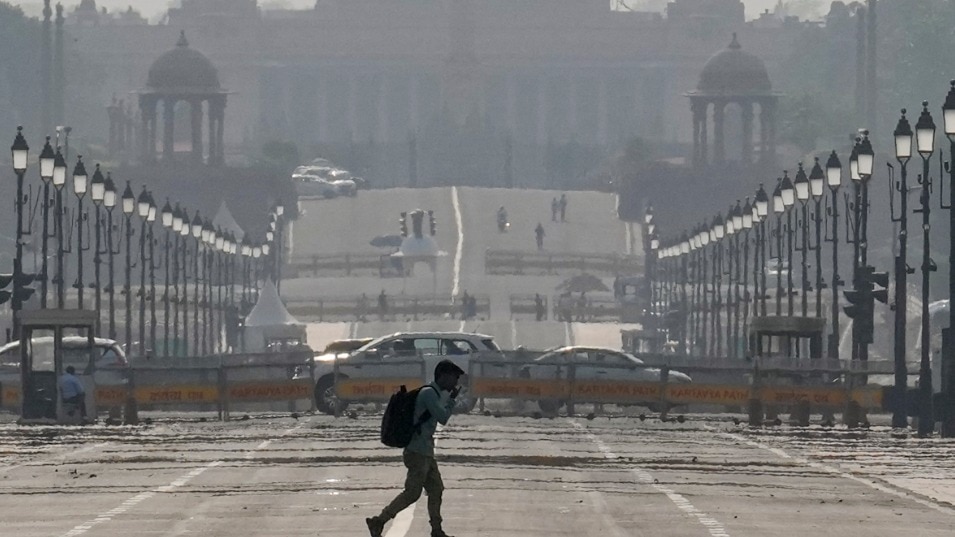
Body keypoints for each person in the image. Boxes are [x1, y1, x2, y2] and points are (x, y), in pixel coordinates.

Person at [367, 360, 466, 537]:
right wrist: (451, 401)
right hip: (417, 452)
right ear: (443, 375)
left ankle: (436, 530)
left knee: (436, 489)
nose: (455, 382)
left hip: (425, 452)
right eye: (454, 377)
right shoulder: (429, 394)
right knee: (412, 493)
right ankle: (379, 520)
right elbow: (442, 417)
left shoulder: (433, 394)